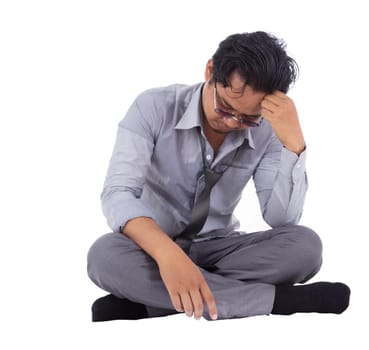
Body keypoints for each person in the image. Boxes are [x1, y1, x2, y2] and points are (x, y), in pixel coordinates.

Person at [87, 31, 350, 321]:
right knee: (104, 256)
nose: (233, 123)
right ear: (210, 70)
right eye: (226, 107)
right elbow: (118, 193)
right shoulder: (153, 107)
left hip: (220, 248)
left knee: (306, 247)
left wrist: (294, 145)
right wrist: (167, 255)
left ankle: (155, 302)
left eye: (248, 118)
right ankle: (278, 301)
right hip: (153, 247)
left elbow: (281, 220)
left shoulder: (269, 129)